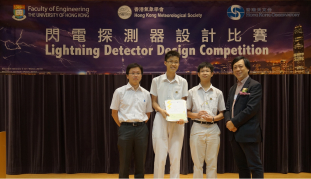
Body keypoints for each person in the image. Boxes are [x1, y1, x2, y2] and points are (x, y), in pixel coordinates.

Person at [110, 63, 153, 178]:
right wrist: (123, 126)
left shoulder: (146, 93)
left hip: (141, 129)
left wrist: (140, 125)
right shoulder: (119, 92)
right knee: (124, 161)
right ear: (127, 76)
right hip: (125, 129)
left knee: (141, 161)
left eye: (138, 73)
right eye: (133, 73)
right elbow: (114, 113)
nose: (135, 75)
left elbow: (147, 113)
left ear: (141, 75)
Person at [150, 51, 188, 178]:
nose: (174, 64)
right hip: (161, 119)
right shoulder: (156, 80)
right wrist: (161, 111)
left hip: (177, 121)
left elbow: (183, 101)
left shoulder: (183, 82)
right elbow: (154, 102)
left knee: (176, 155)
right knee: (160, 155)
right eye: (171, 61)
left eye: (176, 62)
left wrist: (181, 116)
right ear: (165, 62)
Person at [224, 56, 264, 178]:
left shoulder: (254, 85)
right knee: (241, 166)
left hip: (248, 132)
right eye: (235, 67)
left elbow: (251, 109)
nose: (237, 69)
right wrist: (227, 122)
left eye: (240, 66)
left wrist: (234, 123)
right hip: (234, 134)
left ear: (248, 68)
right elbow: (227, 108)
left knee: (254, 165)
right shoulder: (233, 88)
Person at [187, 62, 226, 178]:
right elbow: (186, 112)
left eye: (207, 71)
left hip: (213, 129)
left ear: (212, 74)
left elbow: (223, 113)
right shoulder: (191, 92)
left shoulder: (218, 93)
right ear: (198, 74)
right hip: (197, 128)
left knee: (212, 163)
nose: (205, 73)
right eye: (202, 71)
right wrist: (197, 115)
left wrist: (213, 118)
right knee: (197, 163)